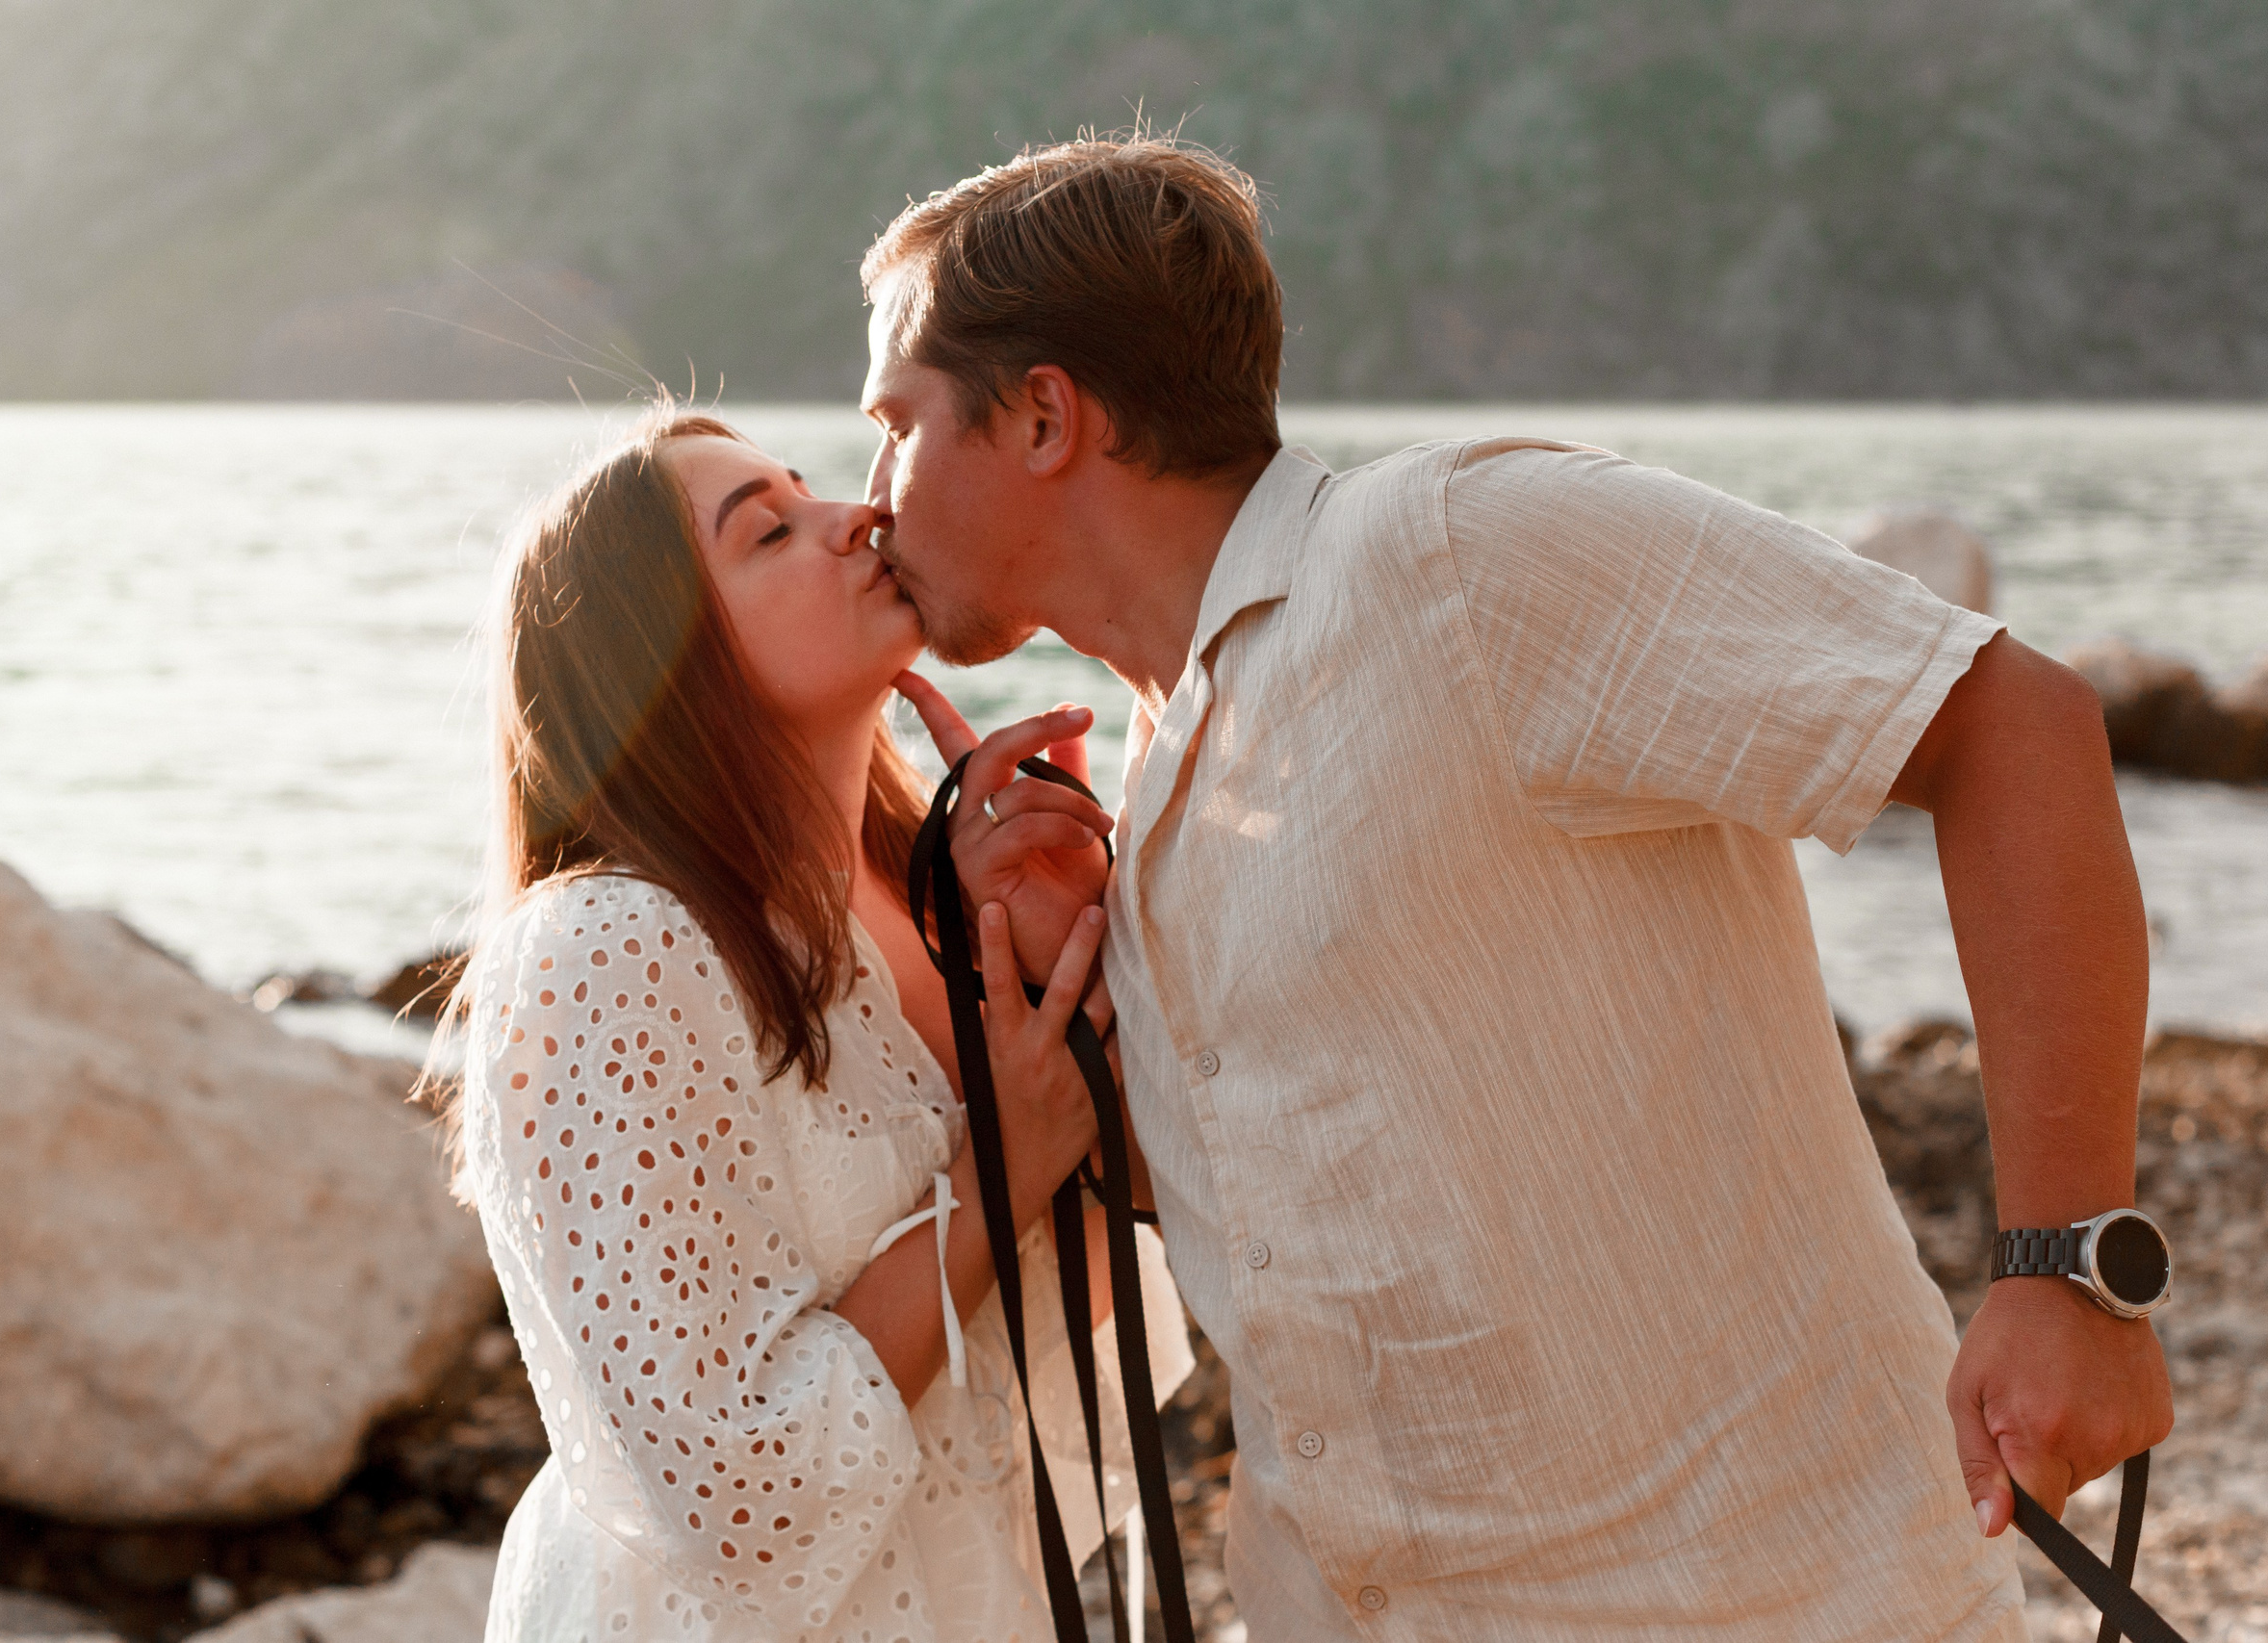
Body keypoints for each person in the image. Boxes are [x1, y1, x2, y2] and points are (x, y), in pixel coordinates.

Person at [862, 137, 2174, 1639]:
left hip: (1774, 1603)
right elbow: (1301, 1211)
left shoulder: (1458, 554)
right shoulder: (1149, 782)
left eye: (894, 424)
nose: (873, 494)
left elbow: (2015, 723)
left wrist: (2069, 1266)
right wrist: (1052, 984)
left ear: (1041, 413)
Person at [448, 409, 1190, 1641]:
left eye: (813, 491)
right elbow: (727, 1491)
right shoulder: (604, 949)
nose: (860, 517)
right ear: (659, 658)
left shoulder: (927, 903)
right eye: (770, 532)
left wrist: (1076, 984)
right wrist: (993, 1163)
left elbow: (1082, 1308)